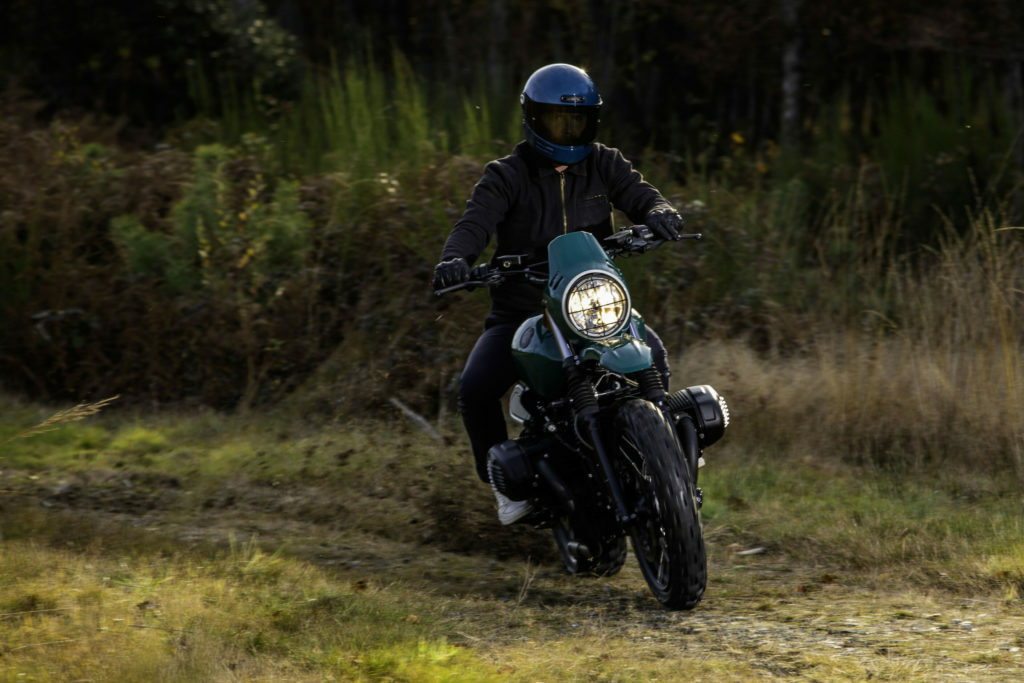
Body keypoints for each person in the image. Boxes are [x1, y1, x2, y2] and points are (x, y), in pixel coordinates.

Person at [432, 63, 685, 524]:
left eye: (578, 121)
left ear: (593, 121)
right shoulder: (505, 175)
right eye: (556, 121)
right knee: (474, 387)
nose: (568, 131)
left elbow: (640, 193)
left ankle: (669, 463)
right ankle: (506, 491)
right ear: (533, 119)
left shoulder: (605, 163)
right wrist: (457, 259)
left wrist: (660, 211)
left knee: (656, 357)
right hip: (524, 314)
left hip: (594, 308)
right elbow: (475, 223)